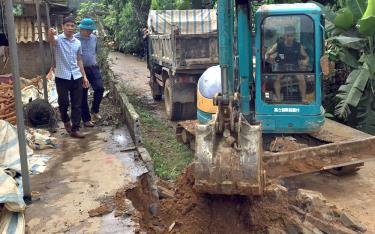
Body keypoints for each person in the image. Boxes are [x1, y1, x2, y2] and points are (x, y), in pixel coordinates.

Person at [48, 16, 89, 138]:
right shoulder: (58, 39)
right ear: (63, 27)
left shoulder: (77, 42)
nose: (70, 28)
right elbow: (51, 41)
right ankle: (65, 119)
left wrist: (84, 76)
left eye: (72, 26)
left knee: (77, 104)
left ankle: (75, 129)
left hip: (76, 76)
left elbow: (79, 59)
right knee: (63, 102)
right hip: (62, 77)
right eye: (68, 25)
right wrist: (50, 34)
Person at [265, 26, 310, 103]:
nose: (289, 37)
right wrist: (269, 59)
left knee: (301, 78)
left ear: (294, 36)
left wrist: (305, 61)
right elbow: (267, 54)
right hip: (281, 67)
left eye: (291, 35)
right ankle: (278, 98)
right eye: (287, 35)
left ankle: (303, 98)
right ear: (284, 36)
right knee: (277, 79)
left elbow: (306, 57)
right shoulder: (278, 45)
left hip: (295, 67)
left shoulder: (298, 46)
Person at [74, 18, 104, 127]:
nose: (90, 32)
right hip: (80, 69)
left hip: (93, 67)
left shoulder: (94, 38)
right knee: (83, 94)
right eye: (87, 30)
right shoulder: (75, 39)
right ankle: (86, 119)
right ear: (81, 29)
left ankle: (95, 110)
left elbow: (94, 52)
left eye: (91, 30)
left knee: (100, 88)